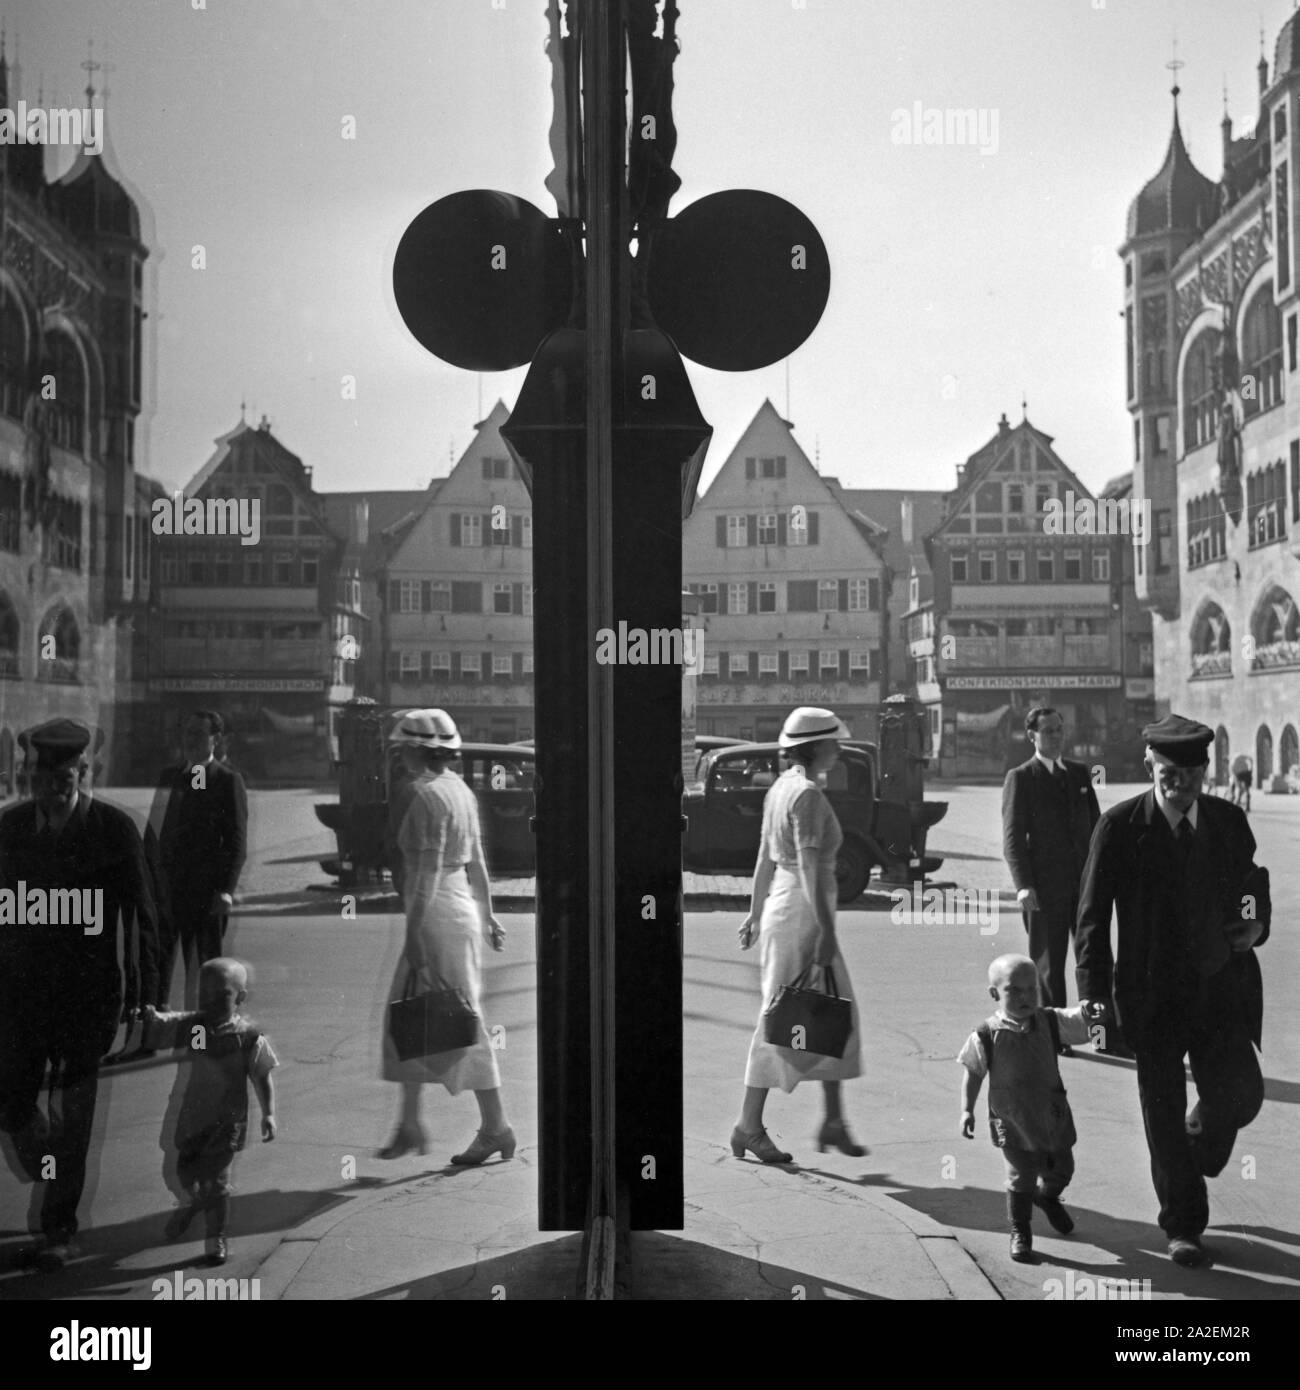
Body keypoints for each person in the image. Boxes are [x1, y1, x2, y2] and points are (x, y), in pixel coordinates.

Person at [1075, 714, 1270, 1269]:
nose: (1177, 783)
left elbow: (1253, 886)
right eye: (1167, 772)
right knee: (1162, 1114)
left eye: (1188, 772)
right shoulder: (1118, 826)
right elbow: (1091, 916)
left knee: (1241, 1094)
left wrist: (1253, 923)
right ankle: (1183, 1226)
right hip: (1151, 997)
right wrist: (1093, 988)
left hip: (1219, 991)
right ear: (1148, 767)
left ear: (1204, 770)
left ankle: (1197, 1142)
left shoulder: (1229, 822)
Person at [0, 718, 159, 1272]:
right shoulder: (11, 827)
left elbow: (141, 918)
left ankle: (57, 1231)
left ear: (83, 773)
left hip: (87, 1000)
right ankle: (50, 1158)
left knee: (74, 1119)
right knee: (13, 1103)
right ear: (29, 776)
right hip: (18, 999)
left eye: (64, 776)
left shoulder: (113, 829)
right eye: (42, 777)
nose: (51, 787)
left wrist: (145, 996)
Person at [378, 709, 513, 1164]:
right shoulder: (460, 790)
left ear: (417, 750)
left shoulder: (423, 796)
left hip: (435, 912)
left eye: (404, 749)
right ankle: (410, 1121)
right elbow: (476, 862)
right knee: (414, 1015)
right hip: (462, 910)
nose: (400, 757)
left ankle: (496, 1126)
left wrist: (414, 934)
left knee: (456, 1021)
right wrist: (489, 915)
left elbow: (425, 873)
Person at [732, 707, 865, 1163]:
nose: (839, 748)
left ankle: (833, 1119)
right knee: (783, 1022)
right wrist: (825, 929)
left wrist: (754, 913)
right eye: (833, 742)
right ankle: (748, 1125)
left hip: (785, 908)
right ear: (816, 747)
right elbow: (808, 865)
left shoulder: (781, 789)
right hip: (803, 913)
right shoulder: (805, 795)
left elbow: (763, 859)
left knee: (832, 1012)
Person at [1001, 707, 1120, 1058]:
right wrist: (1023, 884)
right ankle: (1053, 1036)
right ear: (1032, 736)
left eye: (1060, 729)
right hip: (1043, 889)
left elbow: (1098, 829)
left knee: (1094, 960)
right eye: (1049, 731)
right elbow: (1012, 839)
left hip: (1084, 887)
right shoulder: (1021, 777)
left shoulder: (1081, 775)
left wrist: (1104, 876)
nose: (1056, 736)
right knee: (1049, 966)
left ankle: (1101, 1033)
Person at [958, 954, 1092, 1263]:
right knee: (1021, 1176)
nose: (1024, 997)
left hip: (1051, 1117)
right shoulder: (985, 1035)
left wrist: (1090, 1011)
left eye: (1031, 989)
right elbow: (973, 1071)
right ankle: (1020, 1230)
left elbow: (1079, 1023)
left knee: (1062, 1169)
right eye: (1013, 990)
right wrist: (967, 1110)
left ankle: (1046, 1197)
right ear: (995, 994)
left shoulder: (1048, 1020)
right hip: (1013, 1120)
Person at [144, 957, 277, 1266]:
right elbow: (168, 1023)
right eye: (205, 995)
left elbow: (262, 1075)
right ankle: (193, 1202)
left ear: (240, 998)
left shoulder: (249, 1037)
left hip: (227, 1122)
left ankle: (217, 1236)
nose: (212, 1002)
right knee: (185, 1172)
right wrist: (151, 1017)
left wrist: (269, 1113)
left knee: (217, 1180)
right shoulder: (195, 1025)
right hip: (193, 1117)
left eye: (223, 995)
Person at [149, 710, 249, 1017]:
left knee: (207, 966)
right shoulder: (171, 777)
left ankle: (209, 1030)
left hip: (207, 894)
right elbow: (154, 832)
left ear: (215, 739)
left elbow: (236, 842)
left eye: (198, 734)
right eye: (186, 733)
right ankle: (156, 1026)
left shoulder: (227, 781)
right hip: (168, 891)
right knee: (159, 962)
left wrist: (226, 890)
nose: (190, 740)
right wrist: (149, 881)